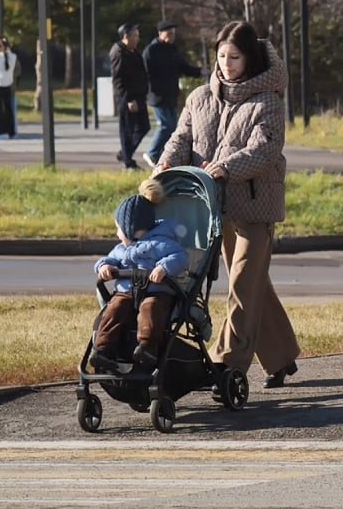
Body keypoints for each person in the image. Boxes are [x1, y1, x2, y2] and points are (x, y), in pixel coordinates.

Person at [156, 20, 300, 390]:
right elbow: (181, 136)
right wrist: (166, 164)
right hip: (212, 210)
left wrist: (226, 167)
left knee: (241, 284)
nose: (226, 64)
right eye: (221, 56)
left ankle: (226, 362)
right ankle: (281, 356)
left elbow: (265, 150)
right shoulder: (201, 97)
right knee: (254, 288)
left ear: (249, 58)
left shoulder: (268, 100)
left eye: (234, 57)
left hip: (255, 209)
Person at [91, 178, 188, 371]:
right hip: (126, 292)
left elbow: (180, 257)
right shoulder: (120, 249)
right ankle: (103, 349)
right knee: (113, 310)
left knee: (150, 309)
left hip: (155, 291)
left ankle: (147, 346)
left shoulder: (161, 242)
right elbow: (107, 260)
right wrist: (104, 267)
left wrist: (163, 268)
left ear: (131, 229)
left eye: (119, 229)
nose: (117, 234)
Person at [142, 20, 204, 169]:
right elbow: (144, 74)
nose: (172, 37)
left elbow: (183, 67)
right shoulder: (151, 51)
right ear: (160, 34)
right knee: (166, 125)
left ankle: (164, 155)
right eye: (169, 34)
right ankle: (152, 153)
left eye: (173, 34)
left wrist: (199, 71)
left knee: (174, 127)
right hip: (157, 95)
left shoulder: (173, 49)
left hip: (171, 94)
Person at [111, 22, 150, 170]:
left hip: (139, 96)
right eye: (135, 36)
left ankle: (125, 153)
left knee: (144, 127)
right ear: (126, 36)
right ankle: (128, 163)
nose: (137, 39)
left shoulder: (133, 52)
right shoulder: (119, 53)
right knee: (127, 130)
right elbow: (119, 80)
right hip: (128, 98)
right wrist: (128, 100)